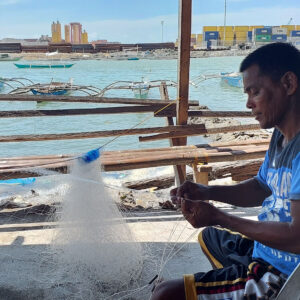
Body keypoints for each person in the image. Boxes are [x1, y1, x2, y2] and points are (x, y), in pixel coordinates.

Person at [151, 42, 300, 300]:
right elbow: (261, 187)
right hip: (264, 250)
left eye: (255, 92)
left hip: (283, 274)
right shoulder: (281, 136)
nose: (248, 104)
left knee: (165, 294)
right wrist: (205, 192)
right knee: (208, 237)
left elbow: (296, 238)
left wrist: (221, 217)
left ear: (288, 84)